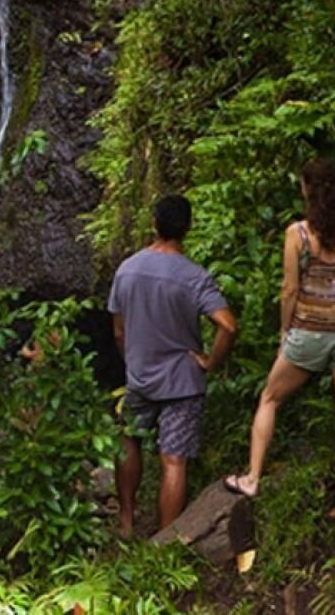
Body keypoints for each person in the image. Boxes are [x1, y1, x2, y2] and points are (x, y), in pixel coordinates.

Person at [223, 158, 335, 518]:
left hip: (308, 330)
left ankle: (252, 478)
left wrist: (284, 330)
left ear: (307, 190)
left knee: (269, 398)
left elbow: (290, 288)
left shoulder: (299, 234)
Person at [108, 194, 239, 534]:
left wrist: (132, 359)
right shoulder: (193, 276)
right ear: (188, 228)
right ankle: (165, 541)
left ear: (154, 223)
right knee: (174, 460)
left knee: (128, 440)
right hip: (182, 381)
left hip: (138, 375)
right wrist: (210, 362)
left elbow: (119, 331)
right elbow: (228, 325)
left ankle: (125, 520)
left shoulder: (127, 269)